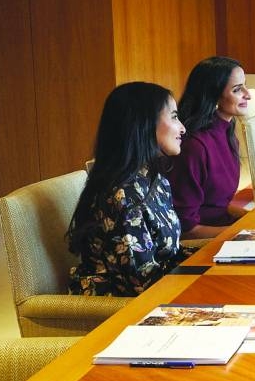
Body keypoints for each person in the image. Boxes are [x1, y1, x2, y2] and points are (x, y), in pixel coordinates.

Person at [68, 82, 191, 296]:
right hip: (121, 309)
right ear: (144, 124)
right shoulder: (122, 197)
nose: (182, 128)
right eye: (173, 117)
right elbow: (142, 284)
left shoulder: (153, 179)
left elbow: (170, 255)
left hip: (161, 292)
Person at [169, 56, 250, 238]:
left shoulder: (227, 132)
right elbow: (186, 229)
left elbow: (216, 203)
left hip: (222, 229)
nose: (248, 94)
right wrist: (243, 233)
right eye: (237, 89)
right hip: (201, 243)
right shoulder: (194, 147)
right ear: (213, 95)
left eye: (245, 85)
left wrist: (249, 218)